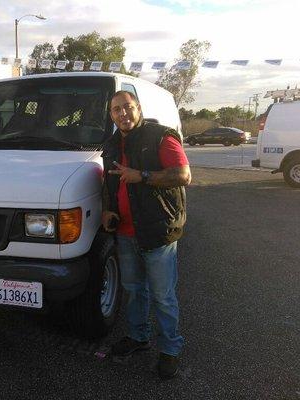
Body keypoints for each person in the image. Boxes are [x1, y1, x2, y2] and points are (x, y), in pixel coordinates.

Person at [102, 90, 191, 380]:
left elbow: (183, 175)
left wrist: (143, 176)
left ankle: (170, 350)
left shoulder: (160, 136)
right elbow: (110, 184)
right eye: (116, 110)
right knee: (134, 290)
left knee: (163, 296)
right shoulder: (112, 145)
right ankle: (139, 338)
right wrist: (107, 210)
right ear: (112, 115)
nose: (122, 114)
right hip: (126, 232)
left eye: (127, 107)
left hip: (157, 231)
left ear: (138, 108)